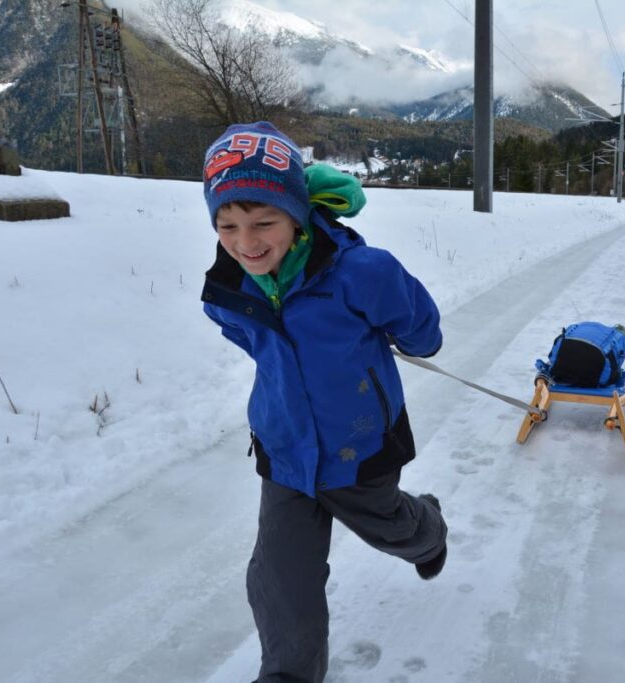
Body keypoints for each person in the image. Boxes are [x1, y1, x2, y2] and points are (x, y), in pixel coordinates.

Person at [200, 121, 448, 683]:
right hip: (284, 448)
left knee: (392, 528)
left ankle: (428, 526)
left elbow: (424, 334)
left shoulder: (363, 273)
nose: (246, 242)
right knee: (279, 578)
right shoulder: (228, 291)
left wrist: (401, 338)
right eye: (228, 225)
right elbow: (258, 346)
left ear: (297, 212)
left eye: (264, 222)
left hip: (359, 445)